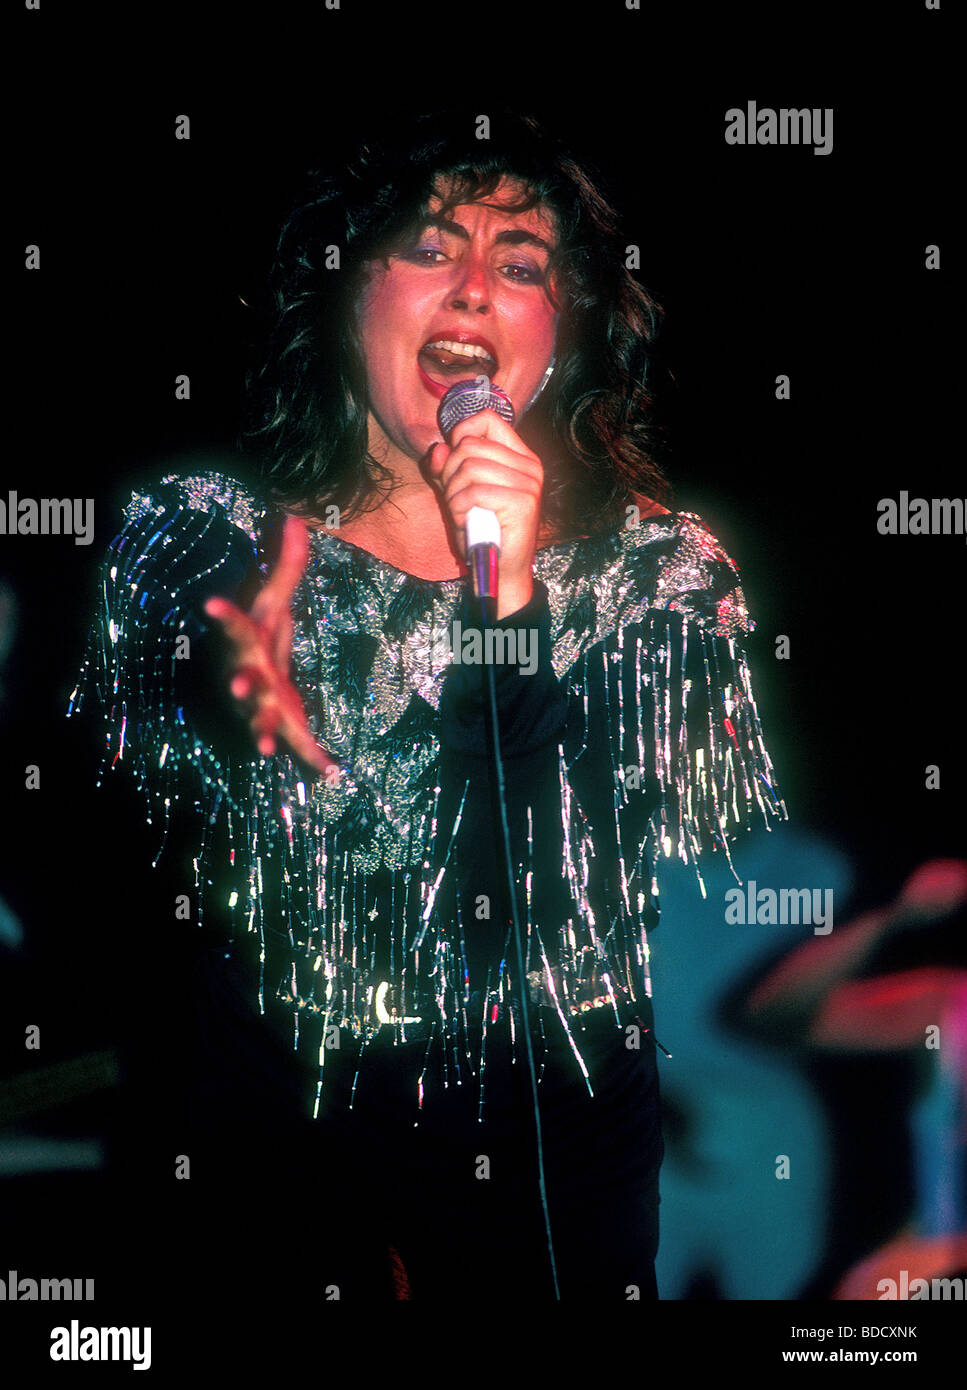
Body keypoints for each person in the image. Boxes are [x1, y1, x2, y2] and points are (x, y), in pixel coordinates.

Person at [70, 108, 786, 1302]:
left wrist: (498, 605)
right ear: (346, 294)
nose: (468, 290)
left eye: (518, 264)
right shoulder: (210, 547)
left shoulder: (655, 579)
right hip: (280, 1142)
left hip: (556, 1165)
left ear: (566, 333)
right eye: (425, 245)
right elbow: (148, 838)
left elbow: (546, 884)